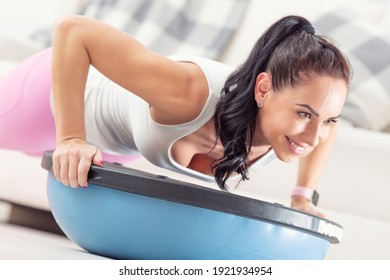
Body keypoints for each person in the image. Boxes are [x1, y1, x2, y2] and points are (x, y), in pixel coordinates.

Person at [0, 14, 351, 217]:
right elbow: (73, 30)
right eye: (304, 114)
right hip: (50, 96)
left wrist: (303, 195)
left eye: (329, 120)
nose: (313, 136)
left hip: (109, 144)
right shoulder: (191, 92)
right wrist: (71, 138)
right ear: (263, 90)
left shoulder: (305, 127)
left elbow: (324, 125)